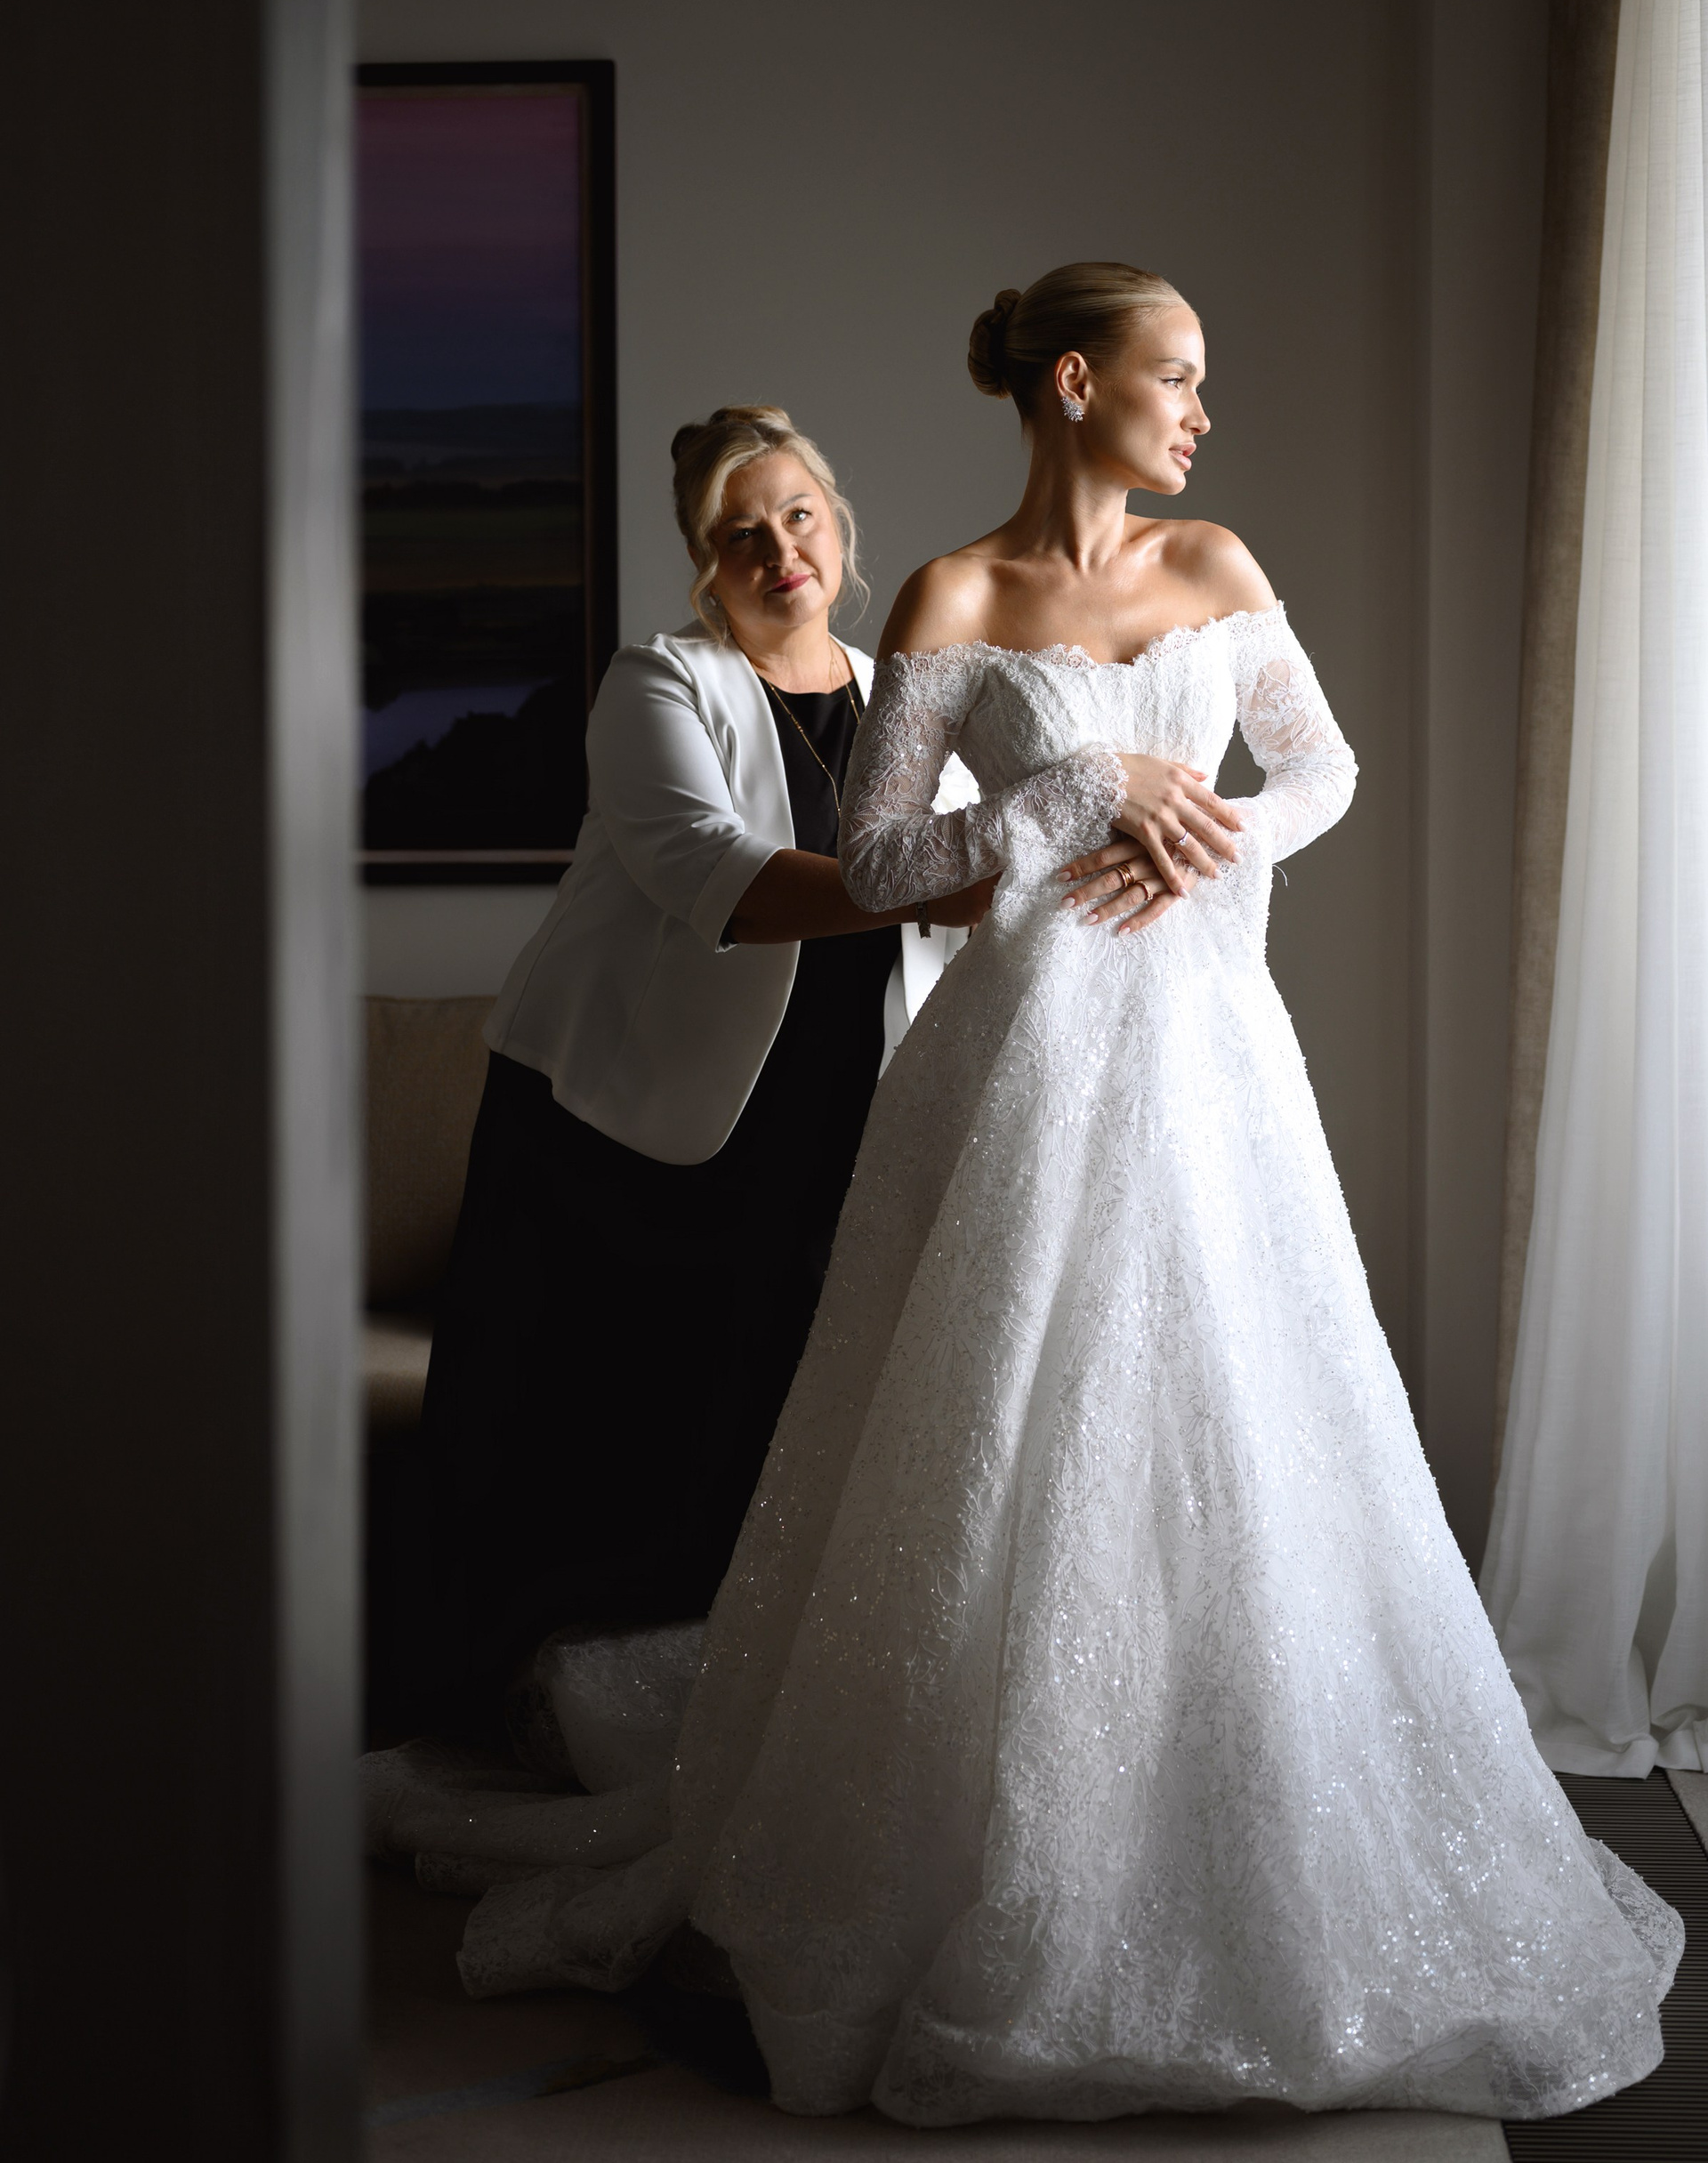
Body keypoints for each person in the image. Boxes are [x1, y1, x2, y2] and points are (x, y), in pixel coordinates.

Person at [445, 269, 1682, 2125]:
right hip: (1017, 1055)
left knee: (1243, 1415)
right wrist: (1075, 787)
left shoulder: (1216, 563)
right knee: (999, 1430)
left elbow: (1326, 770)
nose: (1202, 411)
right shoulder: (950, 597)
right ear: (1079, 382)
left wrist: (1207, 838)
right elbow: (877, 858)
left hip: (1209, 1052)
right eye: (1179, 377)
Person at [418, 405, 991, 1713]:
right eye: (742, 536)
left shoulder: (901, 693)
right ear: (705, 564)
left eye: (798, 516)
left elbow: (969, 888)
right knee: (583, 1441)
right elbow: (710, 874)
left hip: (823, 1111)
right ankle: (512, 1707)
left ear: (839, 527)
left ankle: (707, 1725)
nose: (779, 550)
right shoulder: (660, 682)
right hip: (606, 1126)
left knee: (757, 1434)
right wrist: (933, 885)